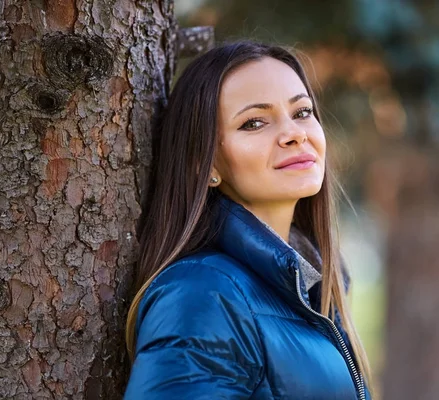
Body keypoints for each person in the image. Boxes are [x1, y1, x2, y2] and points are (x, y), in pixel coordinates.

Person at [124, 40, 373, 399]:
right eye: (254, 122)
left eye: (302, 112)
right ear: (205, 164)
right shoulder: (203, 295)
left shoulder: (315, 291)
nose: (295, 134)